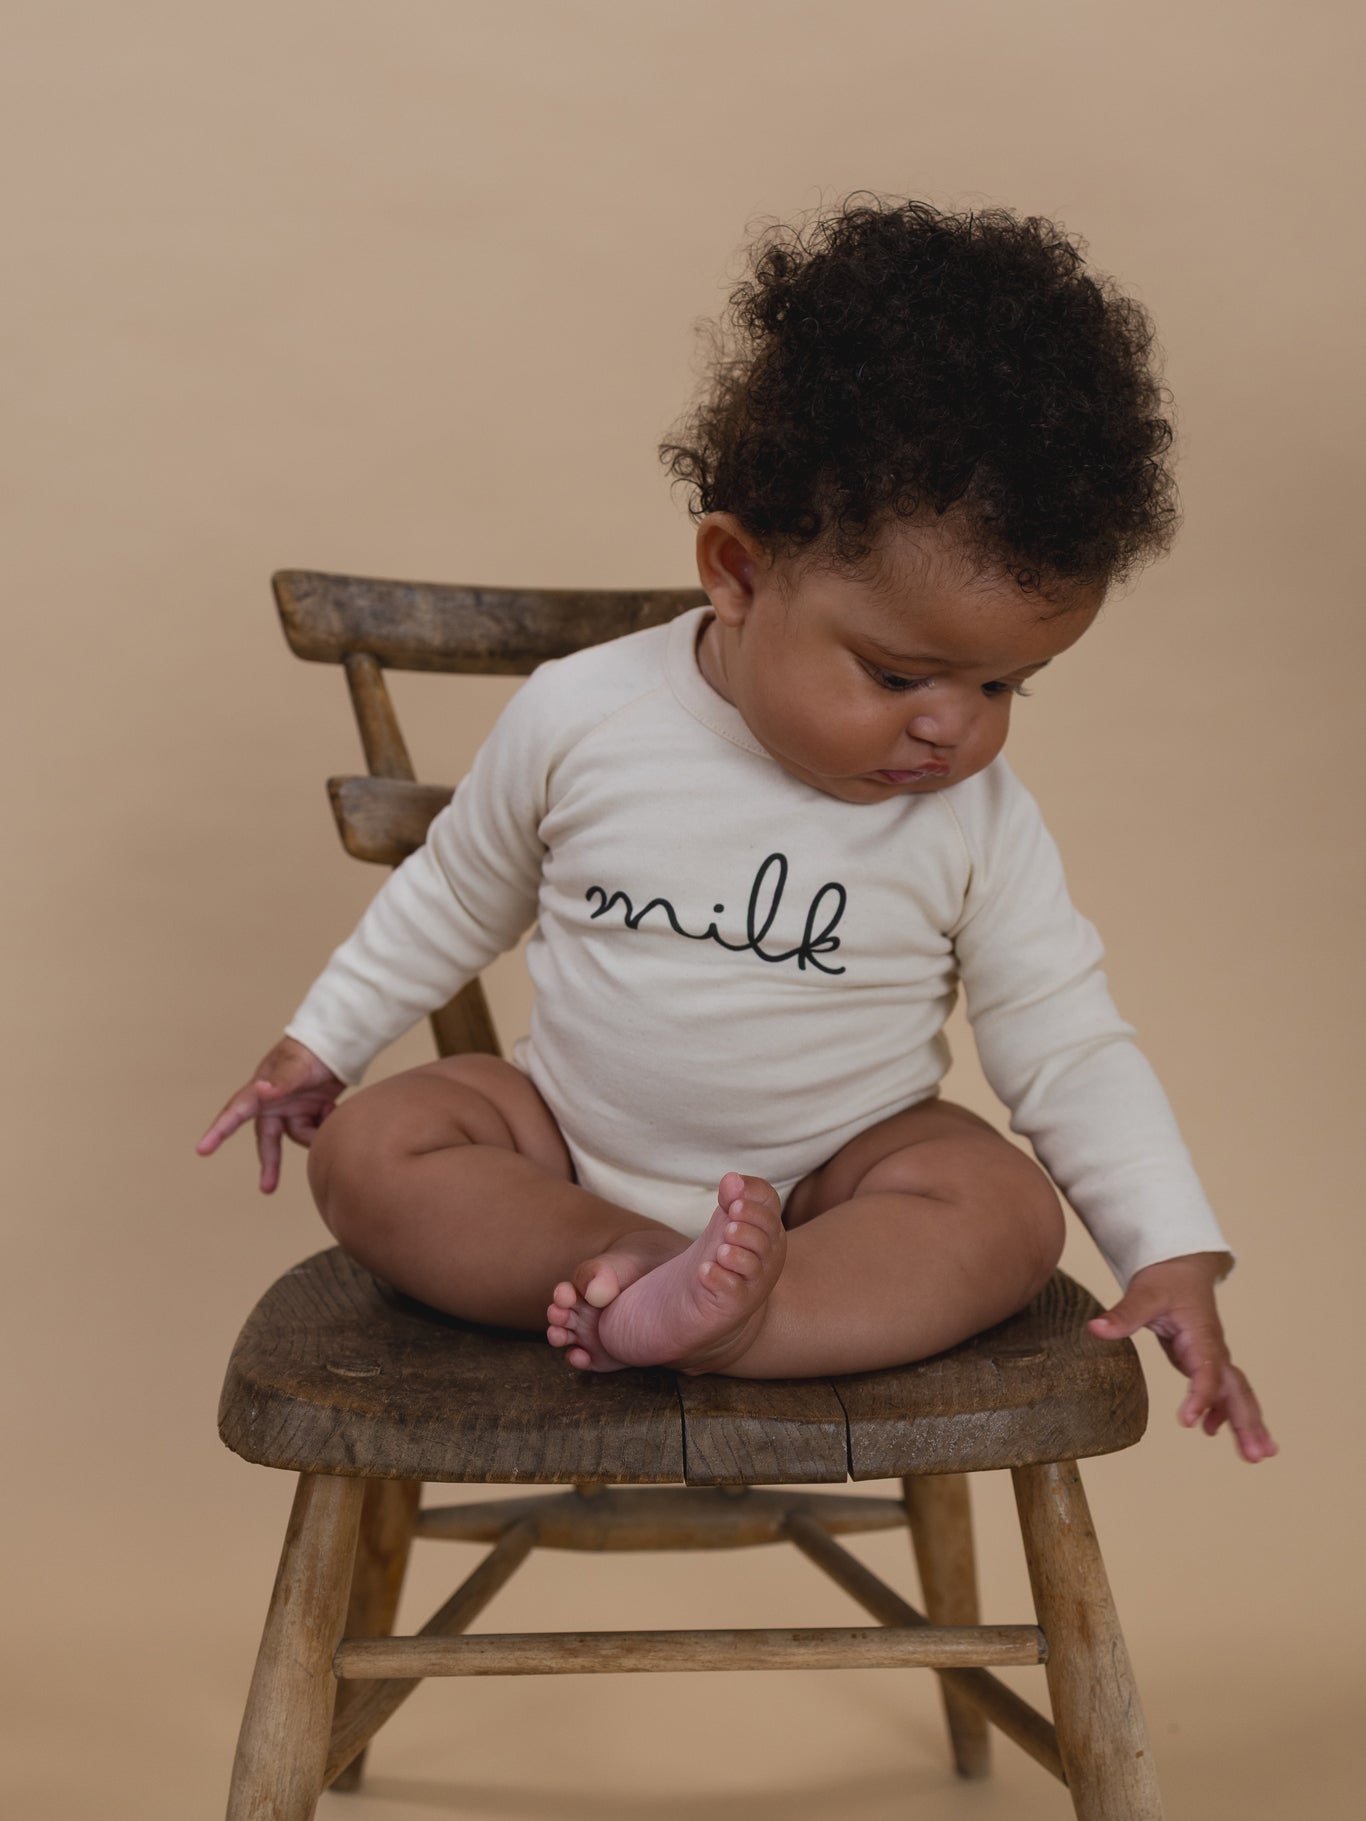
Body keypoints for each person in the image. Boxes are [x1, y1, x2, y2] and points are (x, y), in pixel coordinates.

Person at [198, 198, 1275, 1462]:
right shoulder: (586, 716)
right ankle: (635, 1271)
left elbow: (1067, 1043)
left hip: (833, 1185)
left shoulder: (978, 820)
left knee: (997, 1205)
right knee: (383, 1146)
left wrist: (1169, 1247)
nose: (952, 731)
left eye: (999, 689)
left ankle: (744, 1313)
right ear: (738, 572)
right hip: (566, 1147)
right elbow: (458, 891)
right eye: (895, 675)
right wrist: (320, 1043)